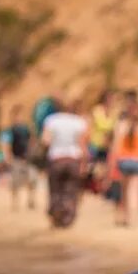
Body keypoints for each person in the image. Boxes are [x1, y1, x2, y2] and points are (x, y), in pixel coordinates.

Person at [41, 98, 90, 229]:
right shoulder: (79, 122)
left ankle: (56, 217)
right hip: (73, 159)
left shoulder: (51, 120)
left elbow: (46, 140)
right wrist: (84, 164)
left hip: (56, 158)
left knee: (55, 190)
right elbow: (83, 145)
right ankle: (67, 219)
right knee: (71, 190)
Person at [110, 114, 138, 226]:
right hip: (137, 162)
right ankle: (132, 218)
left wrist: (114, 164)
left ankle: (123, 216)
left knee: (123, 191)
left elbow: (116, 148)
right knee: (133, 191)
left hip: (124, 161)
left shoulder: (122, 130)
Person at [0, 105, 37, 210]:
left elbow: (31, 141)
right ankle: (15, 203)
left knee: (32, 179)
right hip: (16, 158)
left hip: (27, 158)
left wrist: (31, 152)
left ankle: (31, 200)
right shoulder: (10, 129)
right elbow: (6, 143)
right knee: (15, 182)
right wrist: (7, 156)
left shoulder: (26, 129)